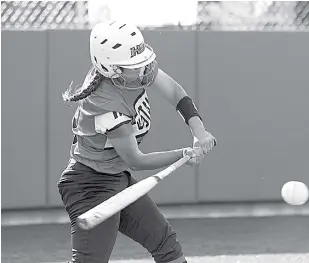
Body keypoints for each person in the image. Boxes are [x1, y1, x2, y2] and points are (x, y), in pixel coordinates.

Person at [58, 20, 217, 263]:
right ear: (112, 69)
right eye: (134, 66)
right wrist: (183, 154)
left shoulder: (136, 73)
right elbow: (136, 160)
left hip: (117, 178)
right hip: (89, 186)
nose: (144, 70)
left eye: (143, 62)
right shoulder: (105, 104)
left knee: (166, 245)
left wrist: (199, 130)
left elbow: (176, 93)